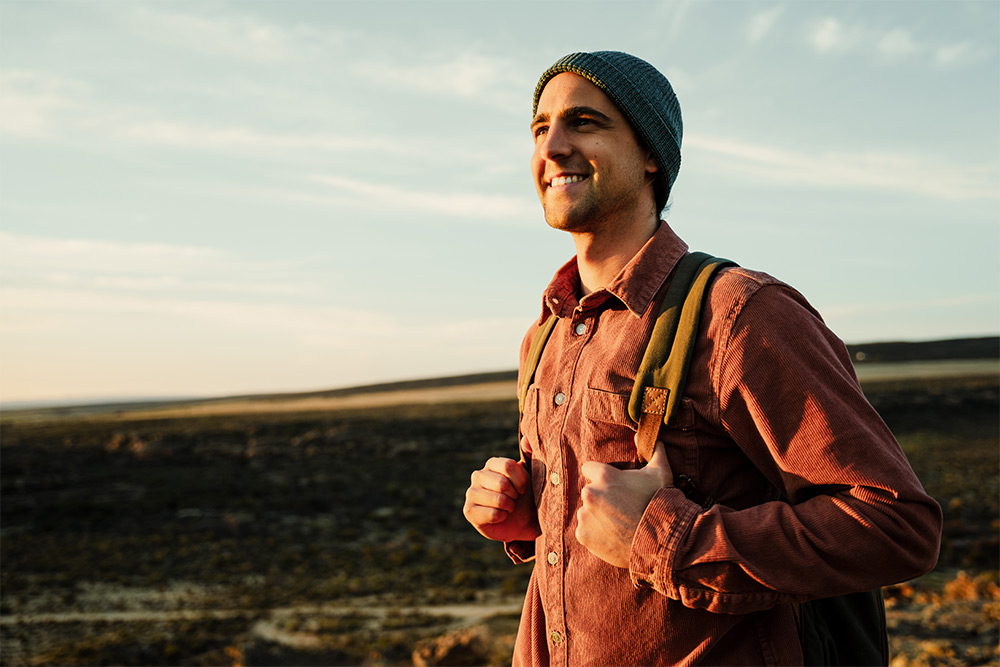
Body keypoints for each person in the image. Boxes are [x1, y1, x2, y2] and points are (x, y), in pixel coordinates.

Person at [462, 51, 942, 666]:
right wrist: (525, 515)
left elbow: (896, 527)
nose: (552, 146)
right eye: (539, 128)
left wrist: (666, 538)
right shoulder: (546, 335)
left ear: (650, 156)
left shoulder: (740, 314)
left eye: (584, 122)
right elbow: (596, 527)